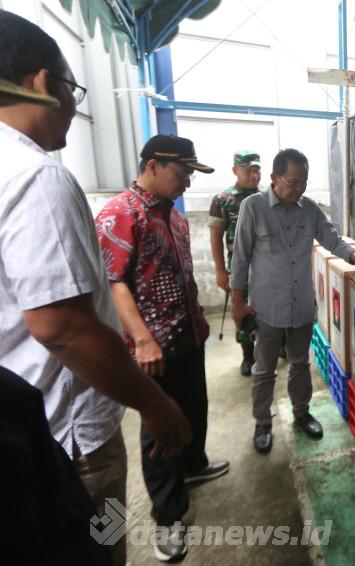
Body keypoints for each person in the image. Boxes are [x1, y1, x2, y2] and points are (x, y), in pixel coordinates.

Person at [0, 11, 191, 565]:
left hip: (30, 424)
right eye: (72, 90)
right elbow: (63, 326)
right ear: (42, 83)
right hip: (70, 431)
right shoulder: (38, 176)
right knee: (99, 542)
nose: (75, 107)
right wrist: (153, 404)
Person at [96, 134, 229, 562]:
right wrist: (143, 338)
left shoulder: (173, 215)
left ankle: (194, 466)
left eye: (191, 173)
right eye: (182, 172)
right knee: (160, 431)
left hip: (186, 337)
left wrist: (198, 319)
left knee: (194, 407)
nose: (187, 182)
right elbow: (114, 282)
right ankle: (168, 517)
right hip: (152, 350)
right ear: (153, 165)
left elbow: (182, 273)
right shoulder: (120, 214)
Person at [230, 148, 355, 452]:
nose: (300, 188)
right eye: (293, 181)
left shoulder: (309, 209)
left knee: (300, 364)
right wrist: (238, 302)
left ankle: (301, 413)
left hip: (301, 304)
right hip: (266, 308)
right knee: (264, 370)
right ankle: (263, 421)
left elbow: (331, 238)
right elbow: (240, 258)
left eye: (304, 182)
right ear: (275, 177)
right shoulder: (253, 207)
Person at [0, 365, 111, 566]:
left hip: (56, 428)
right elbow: (61, 335)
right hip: (82, 433)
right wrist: (151, 403)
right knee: (108, 522)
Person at [209, 151, 273, 376]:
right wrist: (220, 270)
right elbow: (215, 236)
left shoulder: (269, 195)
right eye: (249, 170)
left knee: (273, 305)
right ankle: (248, 355)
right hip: (238, 265)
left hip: (268, 262)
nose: (254, 175)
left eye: (257, 170)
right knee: (242, 307)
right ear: (235, 170)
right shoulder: (223, 199)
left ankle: (278, 345)